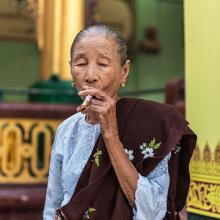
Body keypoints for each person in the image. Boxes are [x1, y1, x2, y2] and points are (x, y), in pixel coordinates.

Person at [43, 25, 196, 220]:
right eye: (80, 64)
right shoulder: (67, 130)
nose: (90, 76)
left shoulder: (153, 124)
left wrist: (111, 135)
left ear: (124, 71)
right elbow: (53, 206)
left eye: (103, 64)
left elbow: (154, 211)